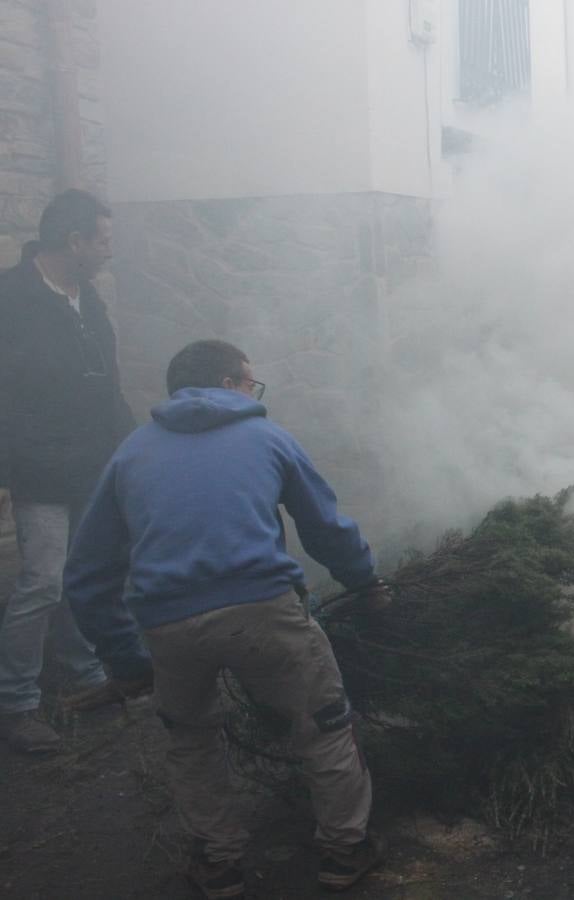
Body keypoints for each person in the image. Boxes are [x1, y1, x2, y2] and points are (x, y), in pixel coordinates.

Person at [63, 340, 390, 897]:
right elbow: (324, 526)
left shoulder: (130, 453)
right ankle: (343, 850)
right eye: (250, 381)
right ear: (230, 382)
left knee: (190, 740)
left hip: (168, 623)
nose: (253, 391)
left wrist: (125, 658)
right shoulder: (267, 436)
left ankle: (218, 864)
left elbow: (87, 572)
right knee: (324, 725)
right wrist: (366, 581)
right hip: (263, 609)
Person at [0, 189, 135, 754]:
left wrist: (131, 448)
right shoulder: (13, 298)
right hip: (38, 468)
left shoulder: (88, 296)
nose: (110, 250)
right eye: (102, 239)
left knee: (84, 574)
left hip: (91, 463)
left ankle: (83, 674)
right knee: (43, 581)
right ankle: (17, 704)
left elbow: (107, 383)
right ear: (73, 241)